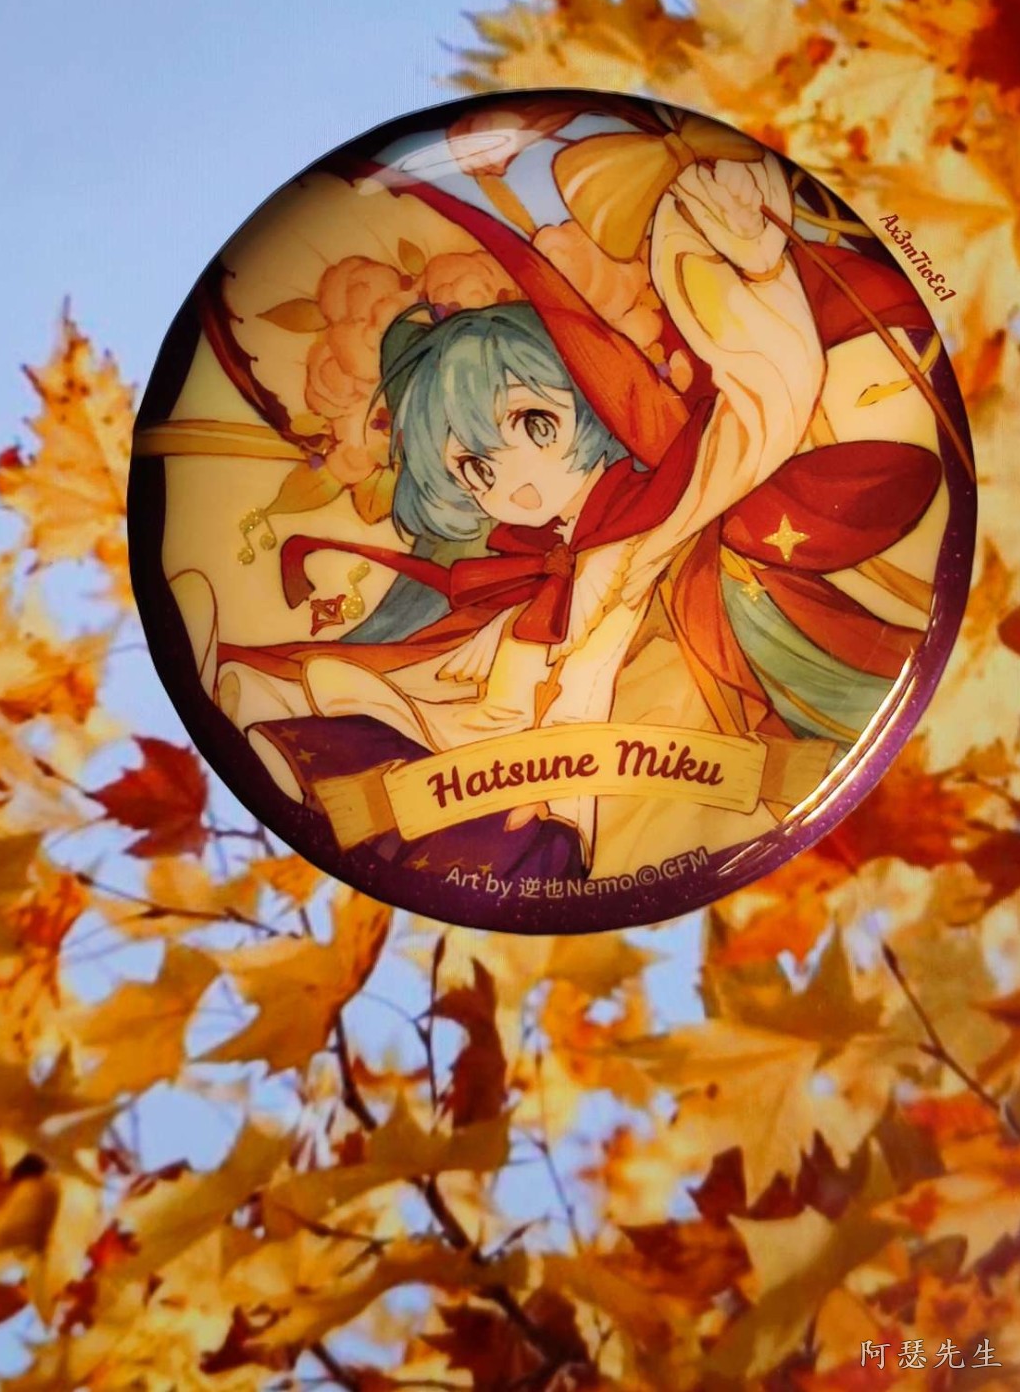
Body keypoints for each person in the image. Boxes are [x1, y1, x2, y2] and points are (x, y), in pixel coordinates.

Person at [207, 137, 948, 878]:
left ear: (592, 399)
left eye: (536, 426)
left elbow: (761, 410)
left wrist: (729, 251)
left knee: (493, 800)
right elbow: (513, 651)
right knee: (375, 710)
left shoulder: (663, 499)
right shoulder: (544, 564)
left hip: (562, 777)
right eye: (475, 467)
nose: (517, 482)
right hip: (511, 753)